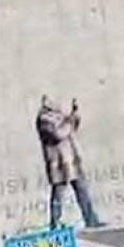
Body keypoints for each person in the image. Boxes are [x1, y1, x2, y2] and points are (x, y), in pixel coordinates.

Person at [36, 94, 104, 229]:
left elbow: (72, 128)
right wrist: (70, 121)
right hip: (58, 164)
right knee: (58, 196)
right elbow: (59, 133)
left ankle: (91, 220)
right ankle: (55, 224)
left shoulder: (60, 116)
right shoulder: (44, 119)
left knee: (82, 191)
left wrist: (74, 115)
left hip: (71, 161)